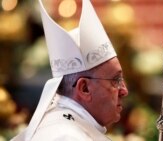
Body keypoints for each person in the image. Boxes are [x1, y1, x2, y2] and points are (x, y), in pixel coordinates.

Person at [11, 0, 128, 140]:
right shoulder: (66, 136)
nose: (124, 90)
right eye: (116, 80)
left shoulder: (64, 123)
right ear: (84, 88)